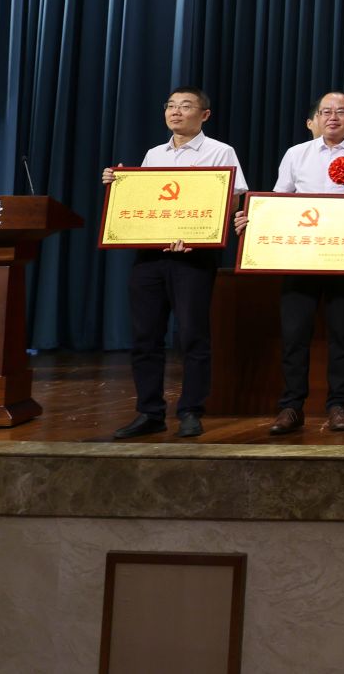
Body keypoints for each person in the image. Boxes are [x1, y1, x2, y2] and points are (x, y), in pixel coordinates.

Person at [104, 86, 249, 439]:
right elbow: (145, 201)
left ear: (205, 114)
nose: (176, 112)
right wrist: (119, 184)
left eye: (186, 106)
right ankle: (149, 412)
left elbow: (233, 200)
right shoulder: (154, 154)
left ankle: (191, 410)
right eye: (171, 106)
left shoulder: (220, 151)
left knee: (193, 335)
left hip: (194, 257)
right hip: (150, 255)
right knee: (145, 336)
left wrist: (199, 234)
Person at [245, 91, 344, 435]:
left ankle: (338, 405)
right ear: (317, 117)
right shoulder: (297, 154)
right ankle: (291, 406)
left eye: (341, 112)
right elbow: (280, 199)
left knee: (343, 334)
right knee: (295, 334)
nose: (333, 117)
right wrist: (256, 218)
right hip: (301, 256)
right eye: (326, 112)